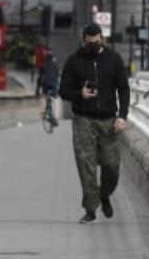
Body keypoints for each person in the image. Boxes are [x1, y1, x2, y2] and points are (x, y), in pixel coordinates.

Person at [59, 24, 131, 224]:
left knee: (112, 166)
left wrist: (122, 116)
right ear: (84, 41)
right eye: (89, 43)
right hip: (83, 119)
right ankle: (90, 209)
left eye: (97, 42)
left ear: (102, 40)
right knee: (86, 165)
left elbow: (124, 89)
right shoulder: (74, 61)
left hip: (109, 120)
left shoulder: (113, 59)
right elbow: (63, 91)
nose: (93, 46)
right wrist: (79, 95)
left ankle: (104, 194)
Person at [35, 50, 61, 126]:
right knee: (55, 99)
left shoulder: (43, 65)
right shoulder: (56, 65)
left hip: (45, 84)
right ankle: (55, 117)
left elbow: (39, 78)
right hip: (54, 84)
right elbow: (57, 76)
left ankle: (43, 112)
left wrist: (37, 90)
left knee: (43, 96)